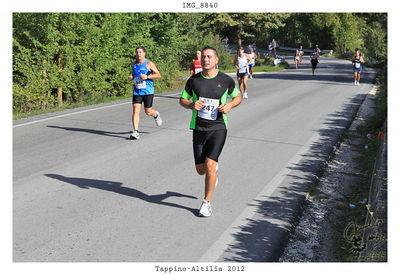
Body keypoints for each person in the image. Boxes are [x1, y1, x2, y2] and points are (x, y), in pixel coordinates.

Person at [179, 46, 242, 217]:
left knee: (209, 165)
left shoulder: (226, 80)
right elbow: (182, 100)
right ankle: (212, 172)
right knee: (201, 170)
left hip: (218, 127)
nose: (205, 59)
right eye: (204, 57)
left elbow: (238, 97)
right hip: (198, 128)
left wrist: (229, 105)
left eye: (209, 57)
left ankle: (206, 202)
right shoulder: (193, 80)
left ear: (216, 60)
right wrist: (191, 105)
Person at [128, 46, 162, 140]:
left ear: (144, 53)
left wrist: (147, 77)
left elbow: (158, 75)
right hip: (137, 91)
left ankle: (156, 115)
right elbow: (135, 73)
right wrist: (131, 77)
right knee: (136, 109)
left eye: (140, 52)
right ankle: (135, 132)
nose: (138, 54)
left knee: (148, 111)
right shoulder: (134, 64)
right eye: (137, 52)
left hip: (148, 91)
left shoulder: (149, 63)